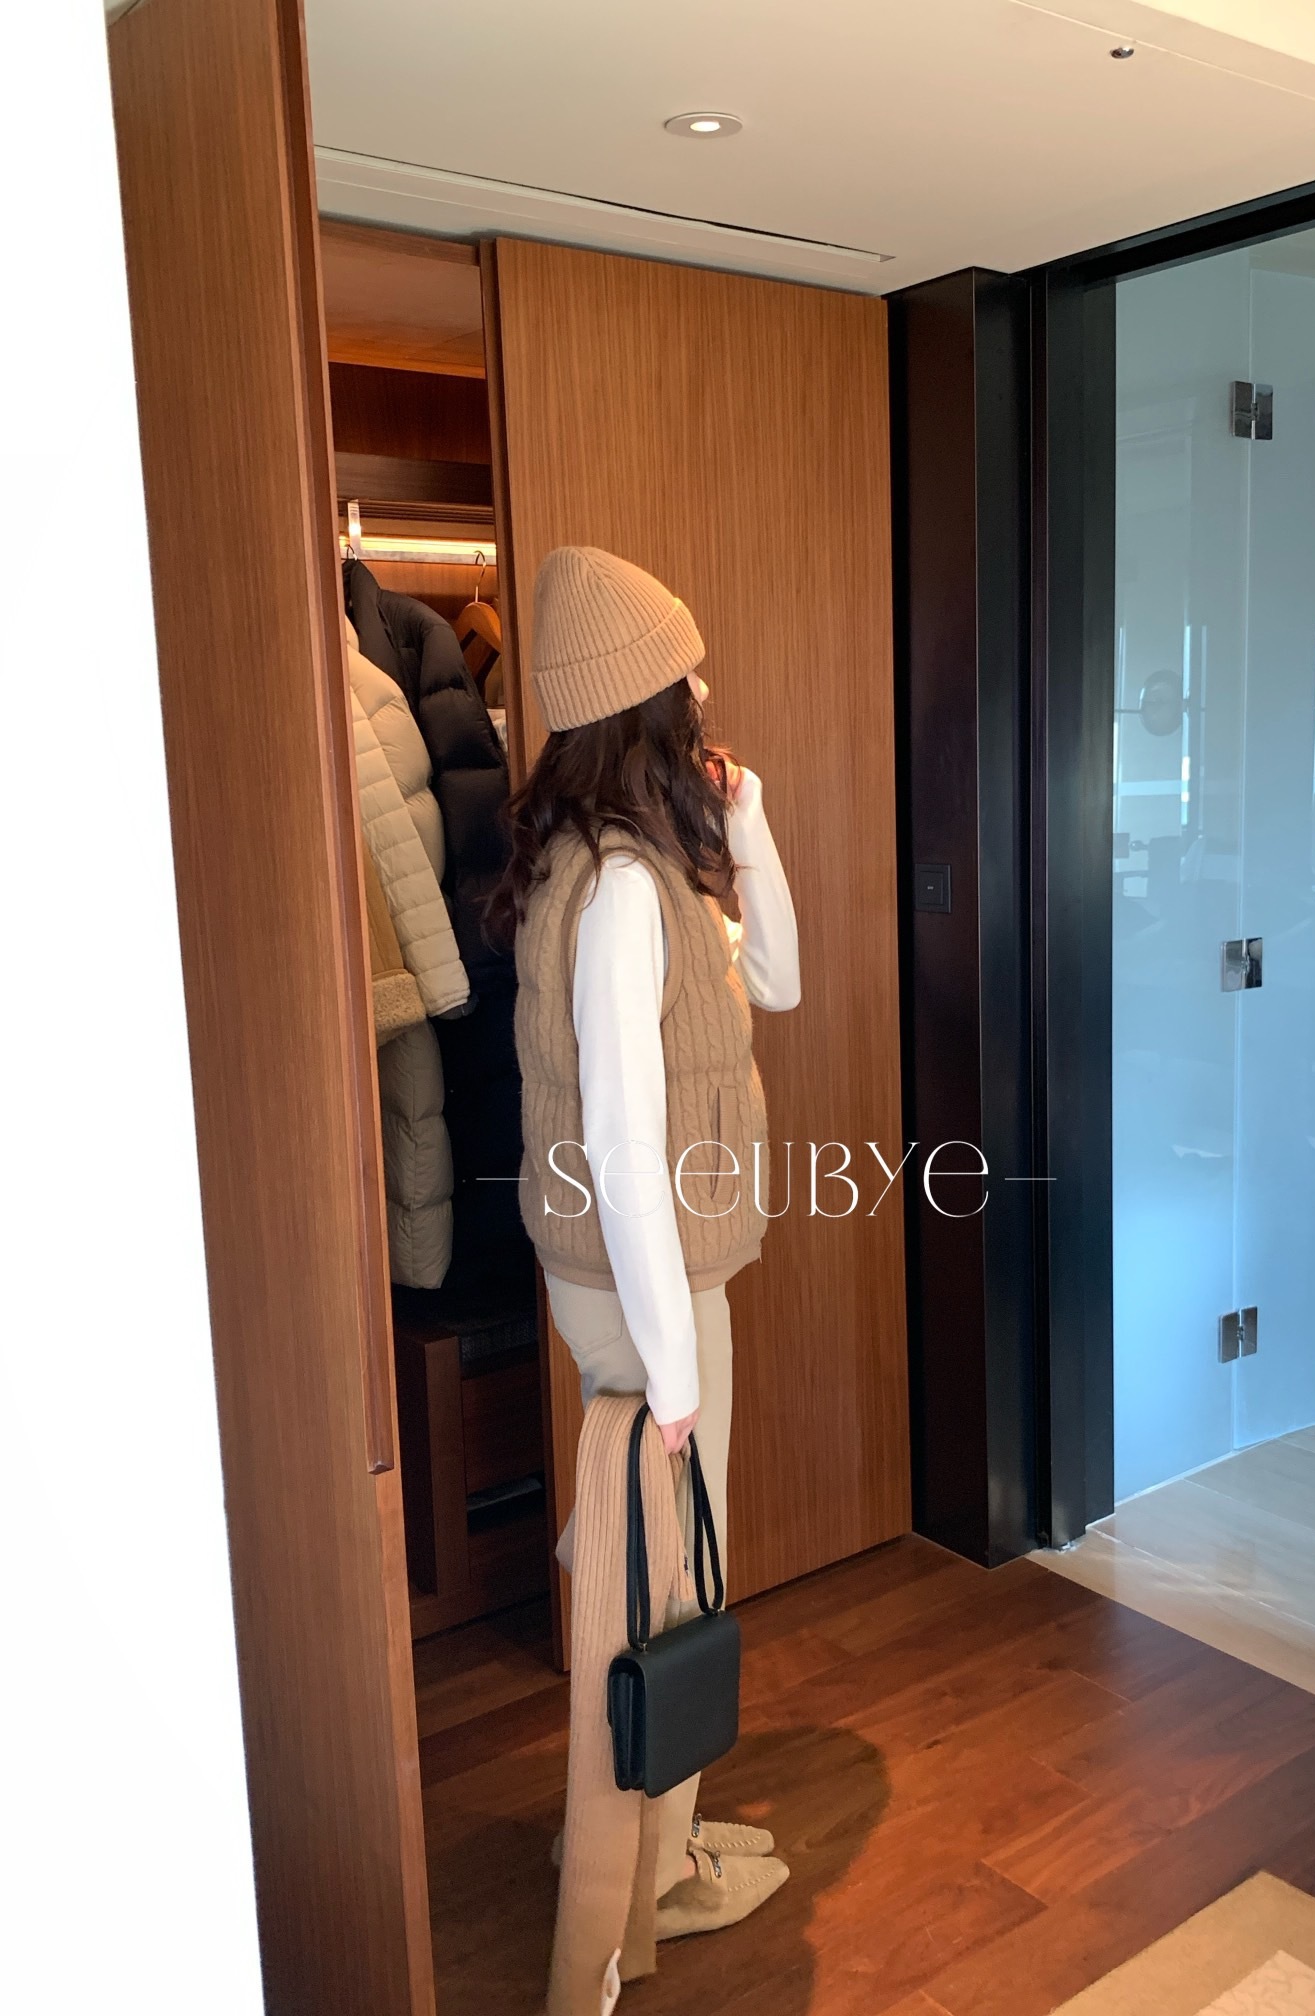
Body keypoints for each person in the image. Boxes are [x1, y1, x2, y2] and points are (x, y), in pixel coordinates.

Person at [493, 545, 801, 1940]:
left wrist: (753, 822)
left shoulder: (616, 861)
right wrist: (674, 1366)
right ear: (642, 707)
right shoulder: (621, 887)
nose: (706, 696)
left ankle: (626, 1841)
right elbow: (622, 1140)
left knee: (629, 1549)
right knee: (664, 1579)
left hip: (626, 1273)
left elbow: (780, 979)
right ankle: (648, 1879)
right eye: (689, 678)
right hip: (643, 1280)